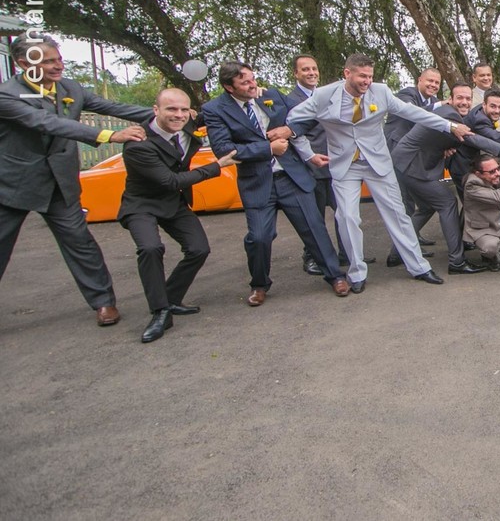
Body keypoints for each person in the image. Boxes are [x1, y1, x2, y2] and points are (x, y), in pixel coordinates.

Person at [281, 54, 473, 293]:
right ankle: (357, 273)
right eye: (362, 76)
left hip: (378, 163)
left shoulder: (380, 92)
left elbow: (413, 113)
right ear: (347, 73)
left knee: (397, 214)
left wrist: (450, 125)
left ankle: (419, 267)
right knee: (347, 217)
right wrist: (308, 154)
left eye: (370, 76)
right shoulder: (323, 96)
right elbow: (293, 120)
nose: (367, 81)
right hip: (345, 165)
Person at [0, 33, 153, 327]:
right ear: (23, 64)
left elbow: (114, 108)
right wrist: (109, 135)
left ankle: (104, 302)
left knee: (80, 243)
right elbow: (46, 122)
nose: (58, 66)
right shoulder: (6, 95)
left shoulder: (70, 87)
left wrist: (169, 113)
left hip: (60, 183)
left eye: (59, 59)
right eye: (48, 61)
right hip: (13, 185)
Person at [201, 61, 349, 304]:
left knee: (314, 228)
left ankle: (335, 276)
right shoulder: (215, 109)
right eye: (245, 83)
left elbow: (308, 117)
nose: (253, 85)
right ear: (229, 87)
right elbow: (224, 150)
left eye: (252, 78)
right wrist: (268, 148)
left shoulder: (271, 95)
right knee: (259, 237)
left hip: (291, 177)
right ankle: (259, 284)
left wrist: (289, 131)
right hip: (257, 182)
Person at [118, 88, 239, 342]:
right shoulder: (138, 144)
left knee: (198, 249)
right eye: (171, 109)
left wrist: (252, 92)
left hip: (174, 203)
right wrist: (217, 166)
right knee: (150, 248)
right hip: (142, 204)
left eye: (184, 109)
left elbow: (216, 110)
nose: (179, 115)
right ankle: (160, 312)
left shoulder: (187, 123)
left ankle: (171, 298)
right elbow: (171, 181)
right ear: (156, 110)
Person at [390, 83, 500, 278]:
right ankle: (457, 261)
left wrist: (446, 147)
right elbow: (474, 139)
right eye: (460, 98)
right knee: (448, 203)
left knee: (426, 208)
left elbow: (434, 137)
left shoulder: (453, 116)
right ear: (450, 99)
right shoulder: (450, 114)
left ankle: (396, 253)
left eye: (468, 98)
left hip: (407, 163)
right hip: (412, 165)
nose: (464, 102)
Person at [283, 54, 357, 273]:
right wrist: (310, 156)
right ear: (296, 73)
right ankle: (312, 257)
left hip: (336, 163)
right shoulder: (290, 101)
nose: (312, 73)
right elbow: (293, 133)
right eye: (305, 69)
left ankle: (347, 254)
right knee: (314, 217)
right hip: (311, 166)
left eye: (314, 69)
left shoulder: (328, 95)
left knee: (344, 211)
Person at [384, 67, 442, 244]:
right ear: (419, 80)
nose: (433, 85)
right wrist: (441, 105)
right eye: (430, 81)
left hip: (416, 158)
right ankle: (404, 247)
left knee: (424, 202)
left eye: (437, 82)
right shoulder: (406, 94)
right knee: (405, 202)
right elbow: (412, 113)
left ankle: (413, 236)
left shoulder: (434, 101)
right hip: (397, 154)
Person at [470, 62, 500, 135]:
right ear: (474, 77)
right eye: (482, 75)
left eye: (488, 75)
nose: (486, 78)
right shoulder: (468, 97)